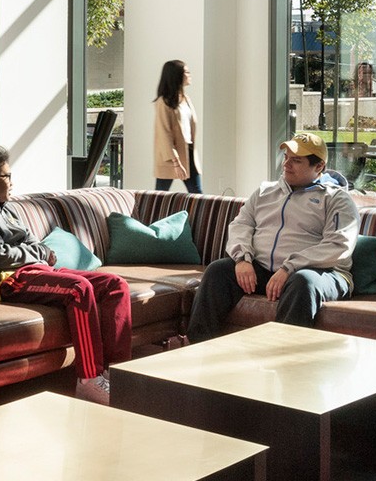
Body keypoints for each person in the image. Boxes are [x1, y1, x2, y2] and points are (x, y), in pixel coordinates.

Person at [0, 144, 135, 403]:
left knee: (115, 284)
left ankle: (116, 375)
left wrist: (35, 252)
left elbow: (32, 242)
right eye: (7, 176)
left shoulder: (7, 208)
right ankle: (89, 379)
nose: (12, 182)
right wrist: (37, 253)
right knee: (78, 289)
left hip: (35, 270)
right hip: (7, 281)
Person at [187, 131, 360, 342]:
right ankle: (198, 349)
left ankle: (282, 359)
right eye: (286, 157)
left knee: (303, 282)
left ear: (319, 166)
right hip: (264, 270)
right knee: (218, 271)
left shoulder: (336, 199)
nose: (286, 164)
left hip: (321, 273)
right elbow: (241, 224)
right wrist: (242, 259)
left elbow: (339, 245)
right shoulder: (265, 192)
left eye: (296, 160)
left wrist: (290, 267)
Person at [152, 59, 201, 193]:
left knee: (197, 195)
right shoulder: (164, 102)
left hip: (188, 152)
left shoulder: (186, 99)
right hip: (170, 157)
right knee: (159, 197)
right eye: (186, 72)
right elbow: (164, 133)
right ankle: (151, 215)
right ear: (176, 75)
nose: (189, 75)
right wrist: (176, 163)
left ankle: (199, 215)